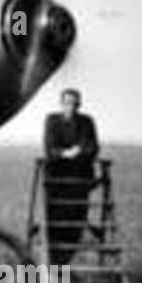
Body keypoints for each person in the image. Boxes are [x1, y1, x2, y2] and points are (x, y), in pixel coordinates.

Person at [42, 88, 99, 265]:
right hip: (57, 182)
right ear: (61, 104)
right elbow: (49, 147)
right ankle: (53, 265)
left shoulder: (86, 122)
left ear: (79, 105)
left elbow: (92, 147)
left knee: (76, 223)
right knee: (55, 223)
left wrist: (78, 152)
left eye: (74, 103)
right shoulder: (52, 120)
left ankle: (66, 264)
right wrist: (66, 153)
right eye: (67, 103)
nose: (70, 107)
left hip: (79, 181)